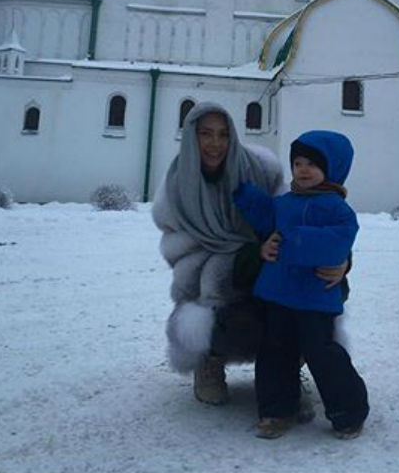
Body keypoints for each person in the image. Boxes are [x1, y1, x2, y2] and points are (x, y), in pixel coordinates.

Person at [152, 103, 347, 407]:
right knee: (215, 306)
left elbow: (300, 221)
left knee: (316, 297)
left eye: (223, 134)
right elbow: (184, 254)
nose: (215, 143)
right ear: (191, 136)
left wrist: (342, 262)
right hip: (217, 277)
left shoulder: (259, 169)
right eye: (206, 134)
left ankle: (290, 368)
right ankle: (209, 360)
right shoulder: (177, 187)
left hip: (274, 268)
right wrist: (249, 256)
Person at [233, 130, 369, 440]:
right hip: (279, 295)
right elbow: (266, 214)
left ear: (331, 168)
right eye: (297, 163)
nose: (303, 169)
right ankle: (277, 410)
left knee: (322, 353)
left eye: (312, 163)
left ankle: (348, 411)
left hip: (314, 299)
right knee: (275, 351)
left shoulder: (337, 208)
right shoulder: (286, 202)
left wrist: (291, 243)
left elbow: (336, 243)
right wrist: (243, 192)